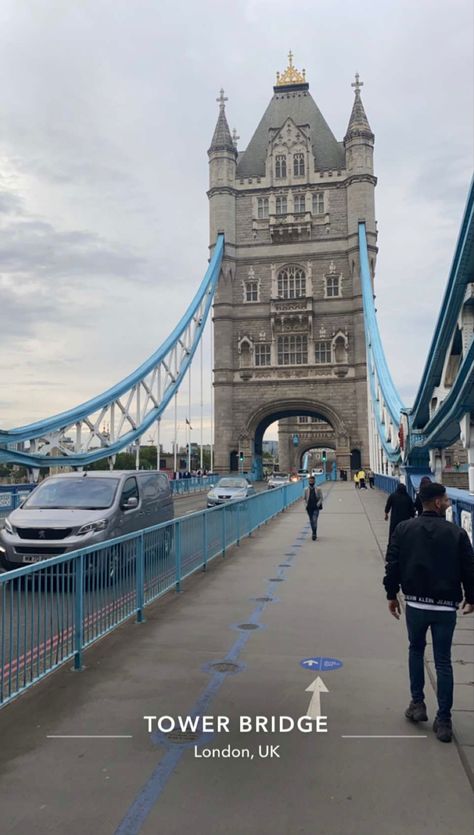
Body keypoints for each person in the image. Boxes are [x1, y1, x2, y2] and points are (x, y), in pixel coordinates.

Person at [383, 482, 474, 743]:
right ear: (436, 503)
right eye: (446, 500)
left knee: (415, 650)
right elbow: (469, 568)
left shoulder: (404, 529)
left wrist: (392, 594)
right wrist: (472, 597)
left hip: (416, 604)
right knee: (443, 661)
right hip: (445, 608)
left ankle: (417, 704)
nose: (448, 503)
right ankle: (443, 720)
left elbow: (393, 563)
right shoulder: (457, 533)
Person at [304, 476, 323, 541]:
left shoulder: (318, 489)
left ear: (314, 481)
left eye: (312, 481)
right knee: (311, 521)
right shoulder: (306, 489)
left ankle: (314, 533)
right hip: (309, 507)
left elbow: (321, 498)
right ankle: (314, 531)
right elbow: (304, 499)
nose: (311, 482)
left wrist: (318, 504)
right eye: (310, 481)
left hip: (316, 507)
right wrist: (305, 505)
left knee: (314, 520)